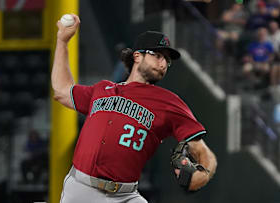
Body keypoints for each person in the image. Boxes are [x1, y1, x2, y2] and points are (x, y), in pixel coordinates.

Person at [51, 14, 217, 203]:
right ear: (137, 56)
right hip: (81, 189)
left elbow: (202, 150)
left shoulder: (169, 102)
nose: (163, 63)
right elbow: (62, 90)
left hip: (125, 196)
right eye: (158, 55)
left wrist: (203, 174)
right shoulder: (102, 89)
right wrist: (62, 41)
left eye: (167, 60)